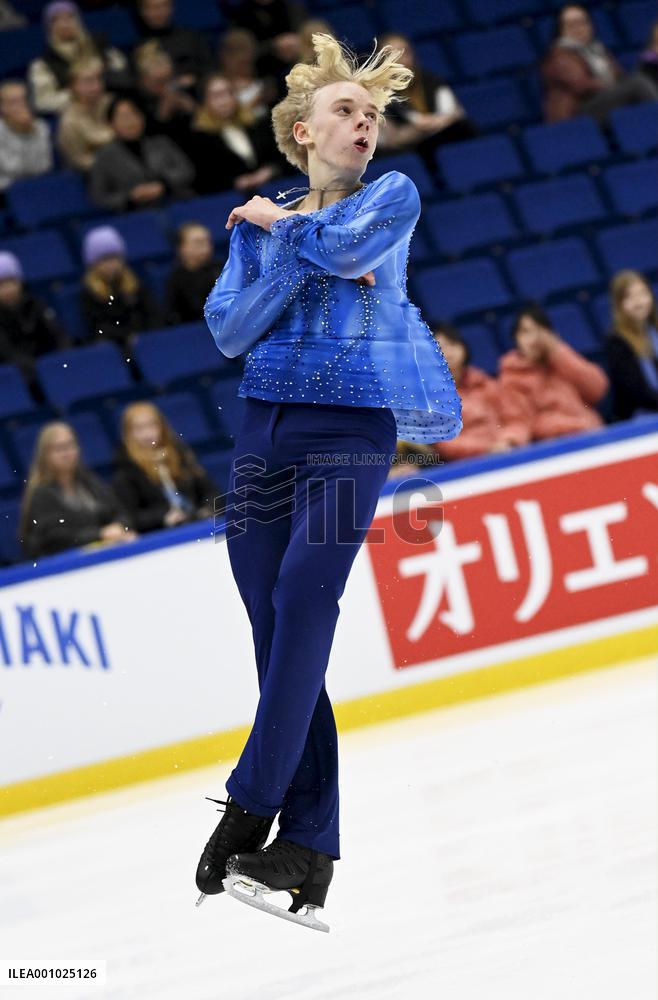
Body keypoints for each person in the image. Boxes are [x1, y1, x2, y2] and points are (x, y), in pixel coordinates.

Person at [195, 32, 462, 930]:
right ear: (302, 132)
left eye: (373, 113)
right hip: (262, 432)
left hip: (352, 429)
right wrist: (293, 240)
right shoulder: (271, 219)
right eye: (345, 109)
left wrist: (283, 234)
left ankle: (250, 803)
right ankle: (309, 849)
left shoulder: (392, 195)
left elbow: (350, 255)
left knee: (307, 598)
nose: (364, 123)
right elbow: (231, 331)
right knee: (274, 632)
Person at [20, 421, 137, 560]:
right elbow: (55, 538)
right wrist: (100, 534)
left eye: (70, 445)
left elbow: (119, 511)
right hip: (66, 563)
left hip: (102, 554)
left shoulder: (90, 482)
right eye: (59, 448)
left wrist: (120, 527)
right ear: (45, 455)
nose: (67, 453)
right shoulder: (41, 494)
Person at [498, 305, 609, 441]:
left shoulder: (561, 361)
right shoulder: (513, 376)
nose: (534, 338)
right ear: (516, 339)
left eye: (539, 330)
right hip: (556, 444)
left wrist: (558, 352)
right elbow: (517, 421)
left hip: (593, 435)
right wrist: (511, 440)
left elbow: (597, 389)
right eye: (525, 332)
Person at [376, 33, 478, 175]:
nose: (401, 59)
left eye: (404, 52)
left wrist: (429, 125)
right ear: (381, 62)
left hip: (443, 139)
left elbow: (457, 113)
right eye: (391, 56)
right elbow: (392, 140)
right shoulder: (379, 94)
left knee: (466, 128)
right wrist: (423, 128)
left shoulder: (433, 81)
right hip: (412, 153)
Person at [112, 401, 220, 532]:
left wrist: (208, 509)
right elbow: (130, 516)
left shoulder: (180, 455)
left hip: (198, 523)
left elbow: (209, 491)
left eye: (151, 425)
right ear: (128, 434)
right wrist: (163, 517)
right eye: (139, 429)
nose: (147, 434)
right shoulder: (125, 469)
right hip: (162, 533)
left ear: (162, 427)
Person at [541, 4, 657, 125]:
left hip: (603, 98)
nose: (579, 28)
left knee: (646, 77)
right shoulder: (559, 55)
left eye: (583, 22)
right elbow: (582, 86)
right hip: (578, 110)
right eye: (572, 24)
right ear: (561, 29)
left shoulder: (597, 48)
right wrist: (615, 86)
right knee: (638, 84)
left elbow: (619, 74)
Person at [431, 322, 529, 460]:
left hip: (507, 452)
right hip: (468, 464)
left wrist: (509, 440)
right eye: (439, 348)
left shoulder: (484, 383)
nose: (448, 352)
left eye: (452, 344)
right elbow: (444, 443)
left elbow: (516, 419)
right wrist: (488, 449)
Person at [89, 95, 195, 211]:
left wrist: (164, 184)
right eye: (123, 117)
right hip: (135, 214)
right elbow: (100, 197)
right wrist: (130, 197)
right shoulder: (104, 157)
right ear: (111, 124)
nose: (130, 121)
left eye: (134, 114)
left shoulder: (161, 143)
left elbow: (187, 170)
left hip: (176, 203)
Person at [189, 73, 285, 195]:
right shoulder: (199, 137)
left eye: (229, 93)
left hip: (273, 189)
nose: (224, 100)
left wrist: (270, 170)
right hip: (228, 199)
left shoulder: (255, 124)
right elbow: (203, 178)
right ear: (204, 101)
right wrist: (234, 182)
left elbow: (281, 156)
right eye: (216, 95)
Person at [28, 0, 129, 115]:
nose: (64, 24)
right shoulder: (42, 64)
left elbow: (121, 70)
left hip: (114, 106)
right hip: (77, 113)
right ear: (49, 27)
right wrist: (77, 94)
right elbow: (42, 101)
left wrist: (103, 81)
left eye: (70, 17)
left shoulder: (99, 45)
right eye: (56, 20)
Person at [0, 251, 68, 399]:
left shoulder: (36, 305)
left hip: (54, 368)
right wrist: (40, 369)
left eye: (11, 281)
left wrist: (58, 362)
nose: (8, 289)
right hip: (23, 381)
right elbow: (8, 353)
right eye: (1, 285)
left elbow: (58, 335)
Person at [80, 225, 160, 349]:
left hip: (145, 338)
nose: (111, 265)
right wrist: (126, 336)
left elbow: (152, 311)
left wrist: (144, 335)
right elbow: (98, 326)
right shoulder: (89, 292)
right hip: (117, 346)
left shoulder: (134, 282)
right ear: (94, 263)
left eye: (114, 258)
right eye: (104, 259)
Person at [606, 270, 658, 420]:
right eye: (630, 297)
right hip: (640, 419)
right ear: (619, 304)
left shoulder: (654, 330)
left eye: (642, 293)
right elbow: (636, 392)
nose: (639, 302)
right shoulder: (616, 342)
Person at [132, 0, 213, 92]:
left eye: (164, 6)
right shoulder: (139, 49)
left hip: (197, 92)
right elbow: (141, 88)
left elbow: (210, 70)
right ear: (143, 11)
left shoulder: (191, 37)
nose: (160, 12)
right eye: (153, 8)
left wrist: (192, 80)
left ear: (172, 8)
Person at [132, 41, 197, 154]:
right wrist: (163, 112)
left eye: (169, 80)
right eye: (159, 82)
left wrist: (192, 109)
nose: (166, 87)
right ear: (143, 80)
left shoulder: (180, 89)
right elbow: (148, 137)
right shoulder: (136, 101)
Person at [56, 56, 114, 172]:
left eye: (99, 79)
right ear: (74, 86)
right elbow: (78, 160)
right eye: (88, 81)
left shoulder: (112, 103)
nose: (96, 86)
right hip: (96, 172)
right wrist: (111, 162)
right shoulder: (69, 121)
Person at [0, 81, 53, 199]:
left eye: (24, 100)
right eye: (14, 102)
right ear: (3, 108)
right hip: (6, 193)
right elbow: (13, 169)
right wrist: (23, 135)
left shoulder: (40, 127)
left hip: (37, 185)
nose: (22, 105)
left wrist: (29, 133)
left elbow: (44, 166)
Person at [165, 223, 223, 325]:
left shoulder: (221, 268)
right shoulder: (176, 279)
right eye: (198, 242)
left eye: (208, 241)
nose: (206, 247)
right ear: (182, 248)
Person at [217, 28, 278, 122]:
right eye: (236, 51)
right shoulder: (220, 87)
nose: (244, 57)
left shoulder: (266, 83)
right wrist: (254, 102)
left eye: (247, 50)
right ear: (224, 57)